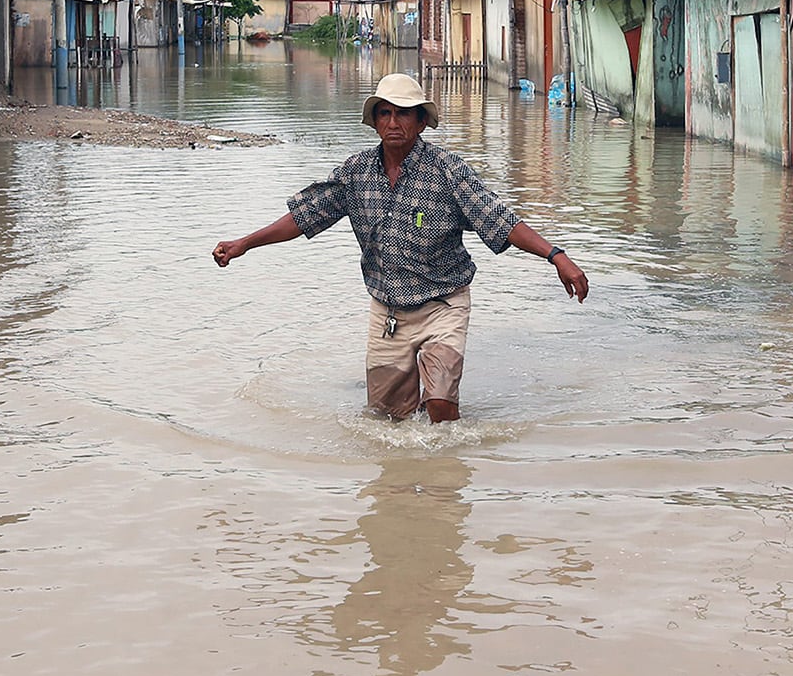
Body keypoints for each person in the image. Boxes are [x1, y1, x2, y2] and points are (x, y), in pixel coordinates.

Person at [212, 73, 589, 422]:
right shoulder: (355, 173)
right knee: (387, 419)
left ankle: (446, 478)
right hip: (388, 310)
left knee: (440, 402)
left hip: (444, 302)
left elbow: (500, 220)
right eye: (385, 113)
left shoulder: (447, 170)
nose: (394, 123)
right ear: (374, 121)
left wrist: (557, 256)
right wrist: (245, 243)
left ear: (421, 122)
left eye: (404, 114)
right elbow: (304, 218)